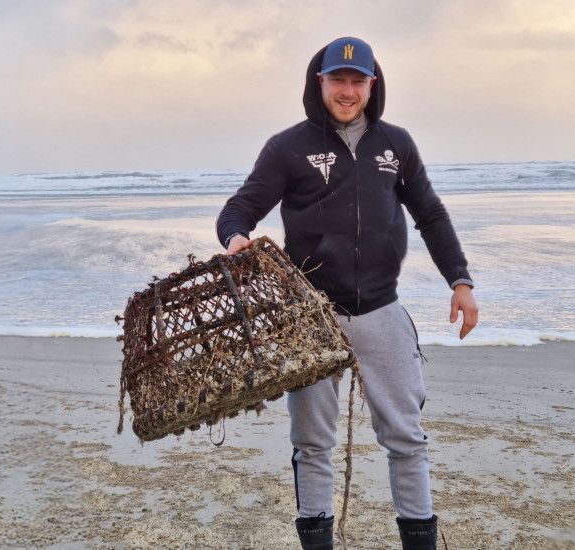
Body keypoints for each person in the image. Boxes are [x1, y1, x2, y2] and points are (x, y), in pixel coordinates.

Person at [215, 36, 478, 550]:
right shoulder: (287, 147)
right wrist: (236, 239)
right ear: (321, 82)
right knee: (312, 444)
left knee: (406, 438)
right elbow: (239, 209)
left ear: (372, 85)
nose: (349, 90)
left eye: (359, 81)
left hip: (382, 309)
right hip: (309, 317)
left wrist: (461, 282)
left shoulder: (395, 144)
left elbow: (431, 215)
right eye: (339, 80)